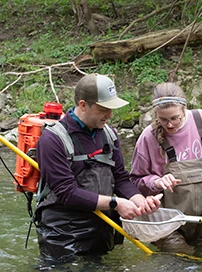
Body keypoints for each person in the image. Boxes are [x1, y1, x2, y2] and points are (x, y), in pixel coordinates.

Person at [35, 73, 161, 261]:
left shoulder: (109, 135)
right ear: (83, 105)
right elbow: (67, 192)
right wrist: (116, 203)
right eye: (104, 109)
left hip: (102, 228)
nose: (110, 115)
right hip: (63, 235)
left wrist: (140, 202)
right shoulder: (52, 140)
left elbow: (120, 178)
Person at [130, 82, 202, 253]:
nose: (170, 125)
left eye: (175, 118)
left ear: (185, 109)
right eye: (163, 120)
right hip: (168, 225)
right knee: (183, 262)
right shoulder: (148, 137)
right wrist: (157, 181)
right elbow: (135, 181)